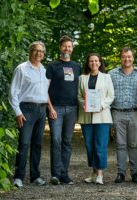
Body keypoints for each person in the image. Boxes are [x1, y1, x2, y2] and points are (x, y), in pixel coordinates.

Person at [9, 41, 48, 188]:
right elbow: (13, 92)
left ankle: (35, 176)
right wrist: (18, 112)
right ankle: (18, 177)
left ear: (44, 54)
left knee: (37, 144)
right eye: (36, 51)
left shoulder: (44, 70)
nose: (39, 53)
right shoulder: (22, 69)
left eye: (41, 51)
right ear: (30, 52)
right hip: (26, 110)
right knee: (24, 143)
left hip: (41, 110)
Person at [46, 35, 81, 185]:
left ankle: (64, 174)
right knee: (56, 140)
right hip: (56, 109)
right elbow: (44, 89)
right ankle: (55, 174)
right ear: (60, 47)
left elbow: (81, 88)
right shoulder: (52, 66)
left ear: (72, 49)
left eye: (70, 46)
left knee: (67, 141)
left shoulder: (77, 66)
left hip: (72, 109)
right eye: (64, 46)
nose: (67, 48)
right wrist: (50, 107)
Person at [108, 47, 137, 183]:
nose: (127, 59)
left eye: (129, 56)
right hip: (117, 112)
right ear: (120, 58)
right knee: (120, 144)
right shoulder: (111, 74)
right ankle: (121, 173)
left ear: (133, 58)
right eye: (124, 56)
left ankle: (135, 173)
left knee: (134, 144)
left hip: (135, 112)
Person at [78, 53, 114, 185]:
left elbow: (111, 96)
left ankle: (100, 174)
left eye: (96, 61)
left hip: (102, 116)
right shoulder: (82, 78)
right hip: (86, 116)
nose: (94, 63)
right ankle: (93, 172)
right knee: (90, 146)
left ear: (100, 63)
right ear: (88, 63)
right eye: (91, 61)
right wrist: (84, 104)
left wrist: (101, 105)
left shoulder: (107, 77)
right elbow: (79, 96)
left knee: (100, 145)